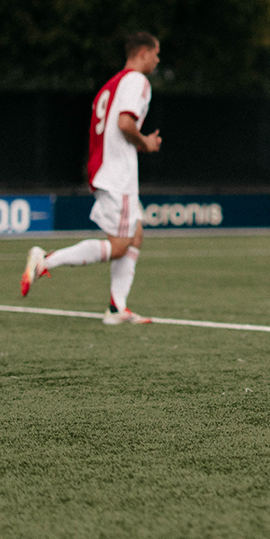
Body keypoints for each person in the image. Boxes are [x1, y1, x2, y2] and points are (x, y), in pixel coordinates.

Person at [21, 33, 163, 323]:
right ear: (144, 53)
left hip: (105, 167)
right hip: (117, 173)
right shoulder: (137, 81)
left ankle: (116, 308)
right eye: (156, 54)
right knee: (121, 244)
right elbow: (125, 123)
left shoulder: (110, 85)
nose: (158, 60)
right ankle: (44, 260)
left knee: (135, 236)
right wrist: (145, 142)